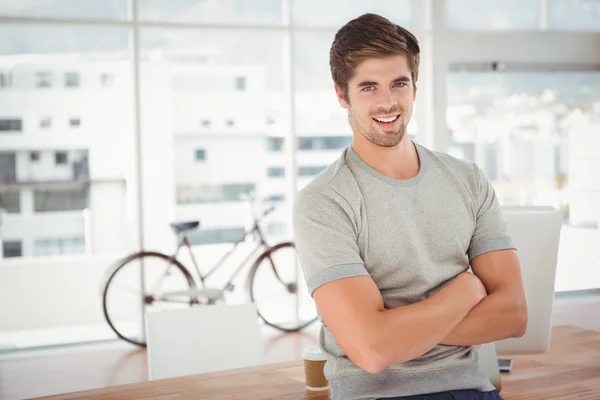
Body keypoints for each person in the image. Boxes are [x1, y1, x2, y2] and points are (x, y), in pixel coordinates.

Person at [293, 13, 528, 400]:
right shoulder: (323, 202)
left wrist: (392, 330)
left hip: (470, 389)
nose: (388, 102)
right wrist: (466, 292)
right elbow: (371, 352)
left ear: (414, 88)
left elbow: (514, 315)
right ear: (341, 94)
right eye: (368, 87)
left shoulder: (467, 180)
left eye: (398, 83)